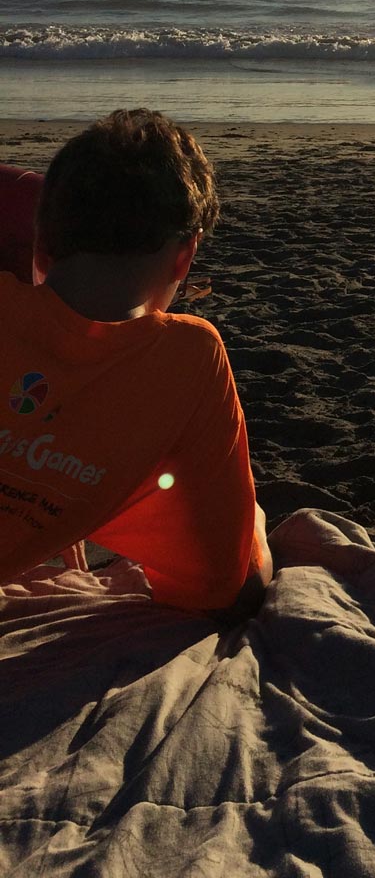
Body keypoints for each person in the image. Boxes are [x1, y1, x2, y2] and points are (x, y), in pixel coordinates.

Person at [0, 109, 272, 618]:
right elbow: (230, 588)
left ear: (41, 236)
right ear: (184, 258)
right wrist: (253, 521)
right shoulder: (188, 357)